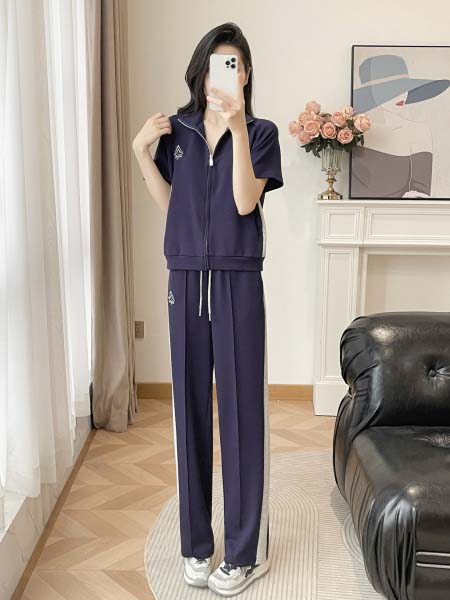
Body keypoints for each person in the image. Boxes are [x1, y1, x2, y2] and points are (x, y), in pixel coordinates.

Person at [133, 22, 283, 597]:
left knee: (242, 413)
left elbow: (244, 201)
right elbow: (171, 204)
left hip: (238, 279)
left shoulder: (262, 133)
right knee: (189, 412)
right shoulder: (178, 131)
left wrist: (238, 125)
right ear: (200, 71)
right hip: (184, 277)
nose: (227, 72)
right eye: (219, 63)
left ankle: (245, 553)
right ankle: (196, 544)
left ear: (246, 75)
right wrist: (140, 152)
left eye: (235, 64)